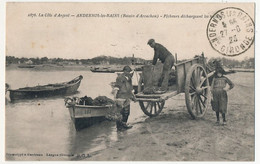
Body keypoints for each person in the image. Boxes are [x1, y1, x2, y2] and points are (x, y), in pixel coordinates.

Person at [113, 65, 136, 131]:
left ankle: (124, 124)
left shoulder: (129, 78)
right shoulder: (119, 78)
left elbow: (131, 89)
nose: (129, 73)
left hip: (127, 96)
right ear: (124, 71)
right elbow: (116, 87)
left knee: (127, 112)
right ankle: (119, 127)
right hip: (121, 97)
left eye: (130, 72)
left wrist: (134, 97)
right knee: (120, 113)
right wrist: (115, 97)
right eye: (128, 72)